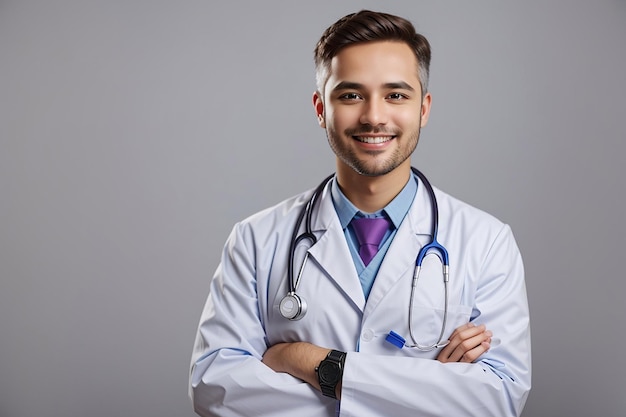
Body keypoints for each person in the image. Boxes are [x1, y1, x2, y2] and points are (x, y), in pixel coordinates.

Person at [189, 9, 531, 417]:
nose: (373, 116)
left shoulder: (486, 241)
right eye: (351, 95)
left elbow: (498, 398)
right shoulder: (255, 239)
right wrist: (425, 388)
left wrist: (310, 362)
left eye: (396, 95)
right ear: (321, 109)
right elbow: (216, 389)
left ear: (423, 108)